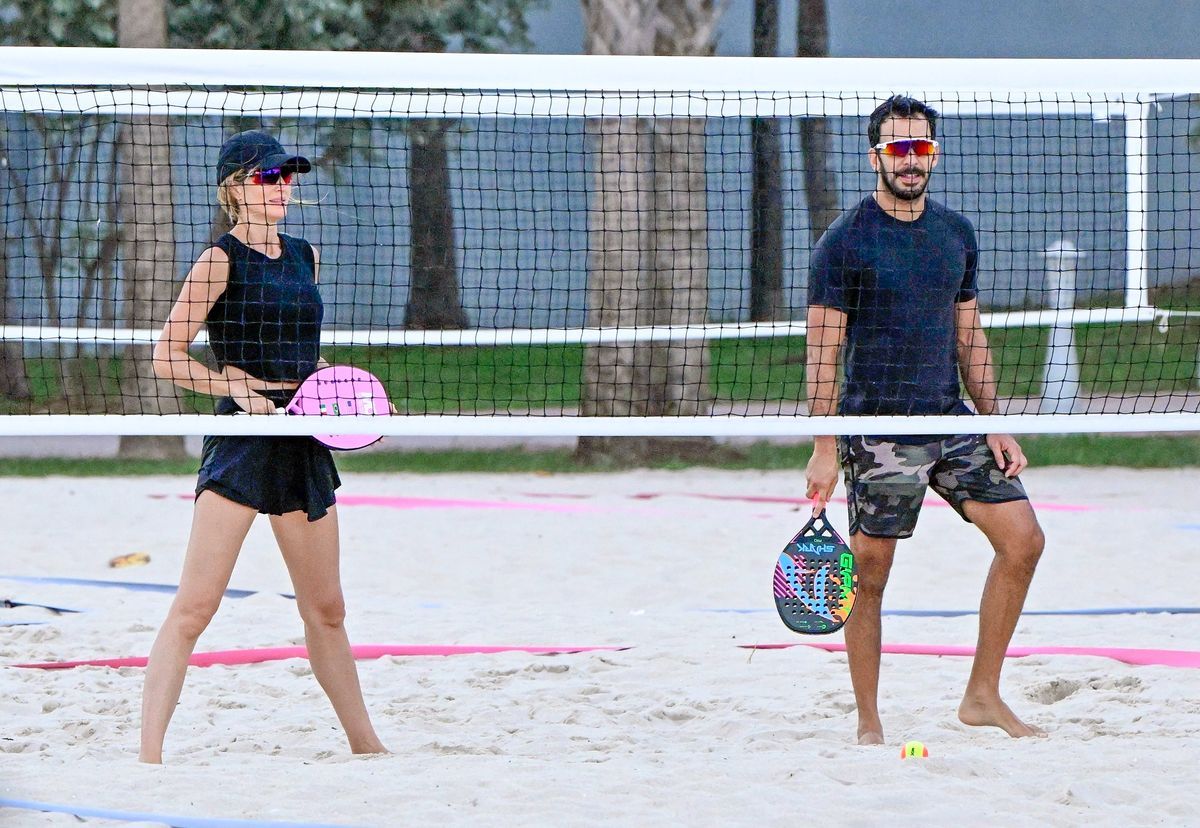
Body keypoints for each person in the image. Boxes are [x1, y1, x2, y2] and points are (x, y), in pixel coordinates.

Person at [140, 130, 387, 763]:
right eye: (269, 177)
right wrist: (235, 386)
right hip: (246, 435)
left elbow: (301, 346)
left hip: (302, 431)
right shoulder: (218, 260)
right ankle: (148, 758)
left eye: (287, 177)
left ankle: (368, 747)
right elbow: (166, 356)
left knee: (327, 609)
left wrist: (329, 381)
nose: (283, 187)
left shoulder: (307, 255)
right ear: (234, 187)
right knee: (195, 607)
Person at [804, 96, 1046, 745]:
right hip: (877, 428)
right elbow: (822, 353)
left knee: (1024, 541)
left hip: (949, 416)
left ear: (933, 153)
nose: (911, 160)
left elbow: (971, 335)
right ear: (876, 154)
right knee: (872, 571)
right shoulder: (845, 241)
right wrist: (825, 447)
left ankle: (983, 694)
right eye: (898, 148)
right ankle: (869, 722)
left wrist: (995, 422)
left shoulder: (955, 233)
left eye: (921, 148)